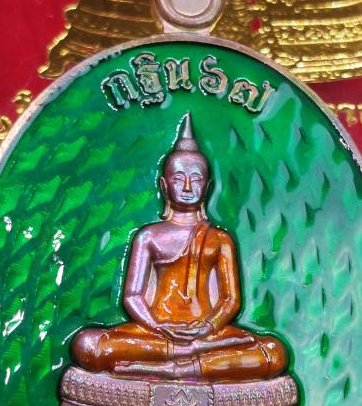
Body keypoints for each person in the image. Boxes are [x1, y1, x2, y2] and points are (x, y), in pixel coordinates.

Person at [72, 112, 288, 382]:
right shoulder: (149, 236)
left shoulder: (220, 239)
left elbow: (230, 300)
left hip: (208, 334)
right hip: (156, 332)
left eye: (196, 179)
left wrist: (206, 327)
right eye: (178, 178)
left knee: (273, 352)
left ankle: (180, 368)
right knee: (87, 344)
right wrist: (157, 326)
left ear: (208, 187)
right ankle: (188, 356)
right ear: (164, 186)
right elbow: (133, 296)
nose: (187, 186)